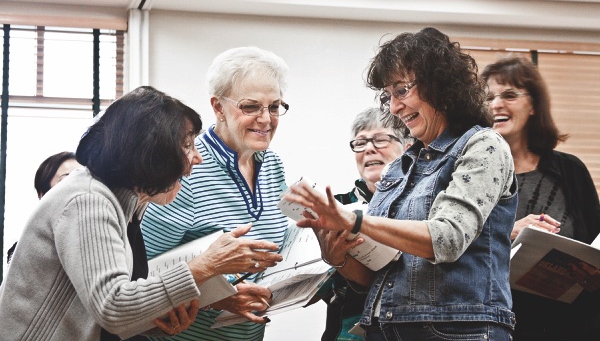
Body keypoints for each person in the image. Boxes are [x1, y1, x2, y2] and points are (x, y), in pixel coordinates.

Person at [284, 27, 518, 341]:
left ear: (441, 85)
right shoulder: (400, 167)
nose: (394, 107)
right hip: (385, 328)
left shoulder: (483, 146)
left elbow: (446, 239)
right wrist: (337, 255)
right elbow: (376, 276)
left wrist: (354, 221)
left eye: (402, 91)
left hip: (457, 330)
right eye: (388, 96)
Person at [0, 86, 283, 341]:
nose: (197, 157)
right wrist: (207, 264)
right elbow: (113, 308)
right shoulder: (88, 199)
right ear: (151, 153)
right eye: (187, 145)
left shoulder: (128, 205)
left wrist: (165, 316)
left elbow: (108, 311)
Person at [141, 46, 291, 341]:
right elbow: (142, 275)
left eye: (274, 107)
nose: (266, 119)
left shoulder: (272, 164)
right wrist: (216, 297)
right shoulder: (188, 168)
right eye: (251, 107)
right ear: (218, 107)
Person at [481, 55, 600, 341]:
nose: (496, 104)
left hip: (573, 326)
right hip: (498, 326)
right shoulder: (471, 173)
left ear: (533, 105)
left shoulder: (570, 169)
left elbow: (596, 239)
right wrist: (508, 232)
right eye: (488, 98)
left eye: (509, 95)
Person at [319, 107, 409, 341]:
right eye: (360, 143)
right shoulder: (336, 207)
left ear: (407, 147)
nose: (369, 148)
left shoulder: (422, 205)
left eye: (380, 139)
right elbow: (320, 284)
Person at [6, 151, 82, 264]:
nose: (79, 186)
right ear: (43, 194)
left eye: (82, 179)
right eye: (67, 179)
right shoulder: (24, 251)